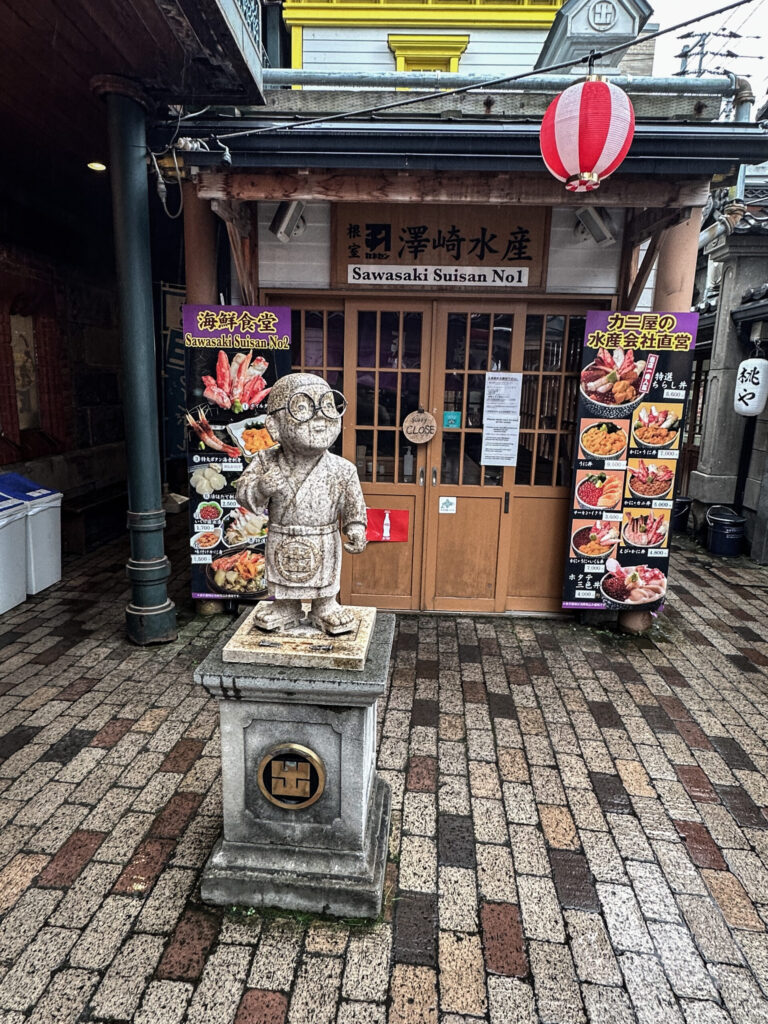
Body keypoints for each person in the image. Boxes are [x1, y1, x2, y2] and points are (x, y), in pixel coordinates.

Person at [236, 372, 368, 635]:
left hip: (324, 537)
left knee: (325, 583)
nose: (320, 419)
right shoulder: (266, 461)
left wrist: (355, 528)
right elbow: (243, 492)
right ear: (273, 425)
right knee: (282, 583)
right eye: (303, 409)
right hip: (282, 536)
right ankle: (286, 607)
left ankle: (325, 606)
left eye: (328, 407)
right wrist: (261, 487)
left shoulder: (342, 469)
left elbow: (354, 506)